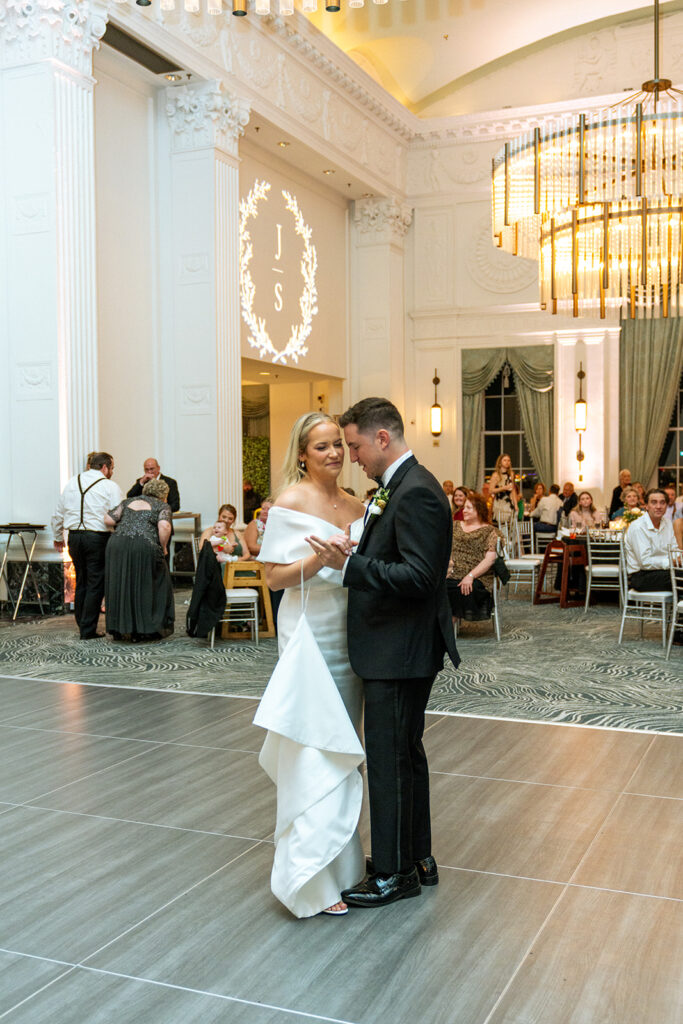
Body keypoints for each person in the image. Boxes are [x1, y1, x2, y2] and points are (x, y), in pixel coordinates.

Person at [307, 397, 460, 910]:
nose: (352, 457)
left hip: (400, 648)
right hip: (401, 645)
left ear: (381, 439)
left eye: (354, 446)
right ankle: (417, 856)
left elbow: (420, 577)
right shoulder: (402, 486)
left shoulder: (415, 492)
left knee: (392, 760)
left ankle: (395, 872)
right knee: (406, 755)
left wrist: (351, 569)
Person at [254, 413, 367, 918]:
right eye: (322, 446)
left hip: (350, 631)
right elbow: (274, 580)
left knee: (345, 743)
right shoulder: (291, 502)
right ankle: (311, 877)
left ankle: (344, 866)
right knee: (315, 745)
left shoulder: (357, 505)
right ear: (303, 453)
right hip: (308, 633)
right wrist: (320, 562)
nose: (334, 454)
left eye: (339, 445)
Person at [52, 452, 123, 640]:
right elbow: (117, 515)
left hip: (74, 537)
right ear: (105, 467)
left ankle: (82, 623)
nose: (112, 472)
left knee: (82, 580)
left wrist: (58, 536)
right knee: (96, 582)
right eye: (112, 468)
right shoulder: (110, 486)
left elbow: (59, 513)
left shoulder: (71, 483)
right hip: (97, 538)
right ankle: (87, 629)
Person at [103, 479, 175, 641]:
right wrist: (163, 547)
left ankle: (119, 629)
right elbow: (165, 527)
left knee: (120, 583)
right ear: (164, 495)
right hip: (143, 545)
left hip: (117, 544)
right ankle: (143, 630)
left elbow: (108, 519)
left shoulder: (128, 501)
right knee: (147, 584)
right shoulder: (162, 506)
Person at [446, 493, 498, 622]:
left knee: (463, 588)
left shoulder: (489, 531)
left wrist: (470, 576)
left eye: (469, 508)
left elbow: (490, 559)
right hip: (451, 571)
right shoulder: (455, 525)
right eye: (464, 508)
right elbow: (444, 547)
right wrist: (448, 567)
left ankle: (448, 625)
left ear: (479, 510)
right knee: (435, 585)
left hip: (477, 575)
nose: (464, 511)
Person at [623, 488, 676, 592]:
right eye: (654, 503)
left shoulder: (668, 523)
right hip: (641, 576)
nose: (658, 507)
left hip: (664, 571)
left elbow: (674, 549)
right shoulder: (638, 527)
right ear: (646, 506)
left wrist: (677, 560)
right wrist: (671, 562)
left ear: (666, 506)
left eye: (662, 503)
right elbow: (645, 562)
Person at [489, 453, 519, 523]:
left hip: (509, 503)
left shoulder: (511, 474)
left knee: (511, 524)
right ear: (500, 463)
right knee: (501, 524)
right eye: (504, 460)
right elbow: (490, 490)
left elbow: (513, 489)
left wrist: (516, 504)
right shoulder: (495, 475)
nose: (507, 462)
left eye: (508, 460)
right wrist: (504, 488)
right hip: (500, 503)